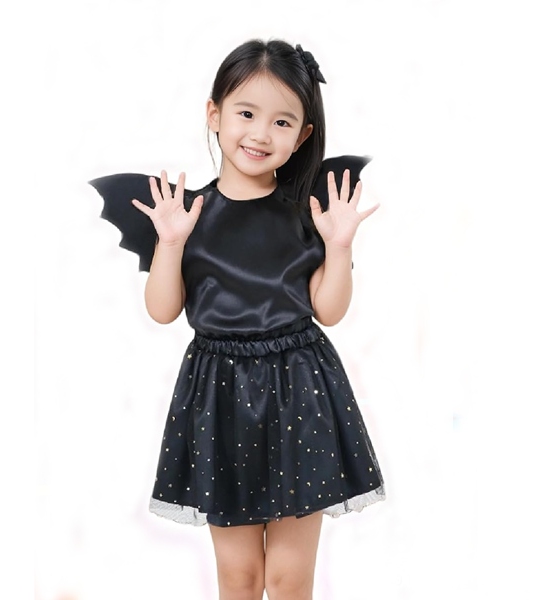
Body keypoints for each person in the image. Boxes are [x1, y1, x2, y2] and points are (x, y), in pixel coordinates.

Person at [89, 38, 385, 600]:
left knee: (288, 579)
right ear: (214, 113)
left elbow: (329, 310)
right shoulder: (185, 214)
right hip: (219, 394)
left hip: (300, 389)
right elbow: (162, 311)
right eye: (246, 113)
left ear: (302, 136)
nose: (260, 133)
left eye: (281, 122)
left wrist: (339, 246)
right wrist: (169, 243)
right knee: (241, 577)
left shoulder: (309, 212)